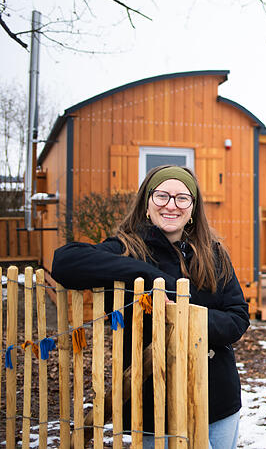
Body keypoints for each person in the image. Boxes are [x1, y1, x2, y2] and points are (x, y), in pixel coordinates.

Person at [52, 165, 250, 449]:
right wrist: (147, 274)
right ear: (147, 204)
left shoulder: (213, 253)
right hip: (155, 404)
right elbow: (64, 262)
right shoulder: (125, 249)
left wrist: (184, 317)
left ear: (193, 209)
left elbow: (238, 318)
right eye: (162, 196)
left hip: (217, 396)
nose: (172, 205)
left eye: (182, 198)